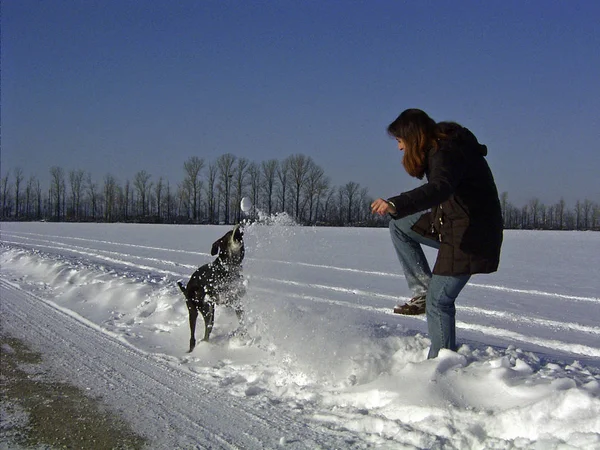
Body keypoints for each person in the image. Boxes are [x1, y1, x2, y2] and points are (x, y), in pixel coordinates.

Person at [371, 108, 503, 359]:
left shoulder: (446, 151)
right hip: (452, 222)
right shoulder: (441, 148)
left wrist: (396, 203)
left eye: (400, 141)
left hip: (471, 234)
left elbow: (440, 188)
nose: (399, 148)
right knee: (400, 225)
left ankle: (441, 367)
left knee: (439, 302)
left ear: (412, 137)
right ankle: (422, 290)